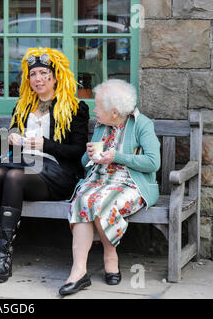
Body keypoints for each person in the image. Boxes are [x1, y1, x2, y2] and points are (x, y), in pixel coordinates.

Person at [0, 47, 90, 283]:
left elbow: (78, 152)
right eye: (33, 74)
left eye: (42, 73)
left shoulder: (75, 108)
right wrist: (12, 138)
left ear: (56, 76)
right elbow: (15, 139)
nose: (37, 79)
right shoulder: (23, 106)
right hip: (22, 165)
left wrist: (45, 145)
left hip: (56, 173)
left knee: (13, 177)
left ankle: (3, 256)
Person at [59, 79, 161, 296]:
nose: (94, 110)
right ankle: (78, 271)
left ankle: (110, 254)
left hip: (131, 183)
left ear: (114, 112)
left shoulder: (142, 124)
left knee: (100, 202)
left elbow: (153, 162)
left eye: (97, 106)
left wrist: (118, 157)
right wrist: (89, 154)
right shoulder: (102, 125)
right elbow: (85, 161)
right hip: (99, 180)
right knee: (82, 200)